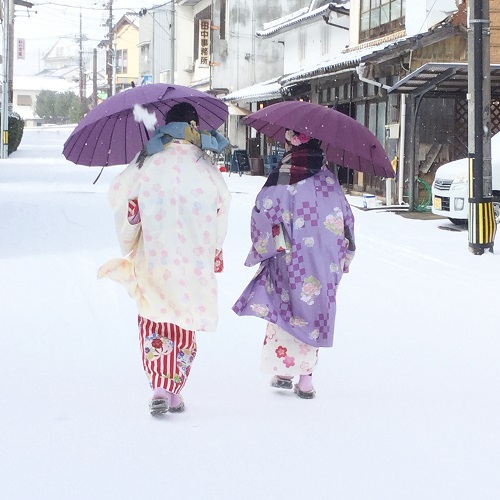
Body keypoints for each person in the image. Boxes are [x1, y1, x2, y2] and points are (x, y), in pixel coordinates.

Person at [99, 102, 231, 416]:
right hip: (193, 260)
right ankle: (174, 390)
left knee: (154, 317)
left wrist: (132, 232)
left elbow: (119, 195)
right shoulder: (206, 168)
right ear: (194, 127)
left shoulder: (148, 161)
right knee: (184, 321)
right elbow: (221, 211)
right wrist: (214, 249)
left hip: (155, 255)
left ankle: (159, 385)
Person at [232, 129, 355, 399]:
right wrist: (344, 255)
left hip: (288, 257)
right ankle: (306, 379)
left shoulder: (282, 177)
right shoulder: (329, 180)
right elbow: (346, 220)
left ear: (290, 143)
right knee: (314, 311)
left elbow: (262, 213)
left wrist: (265, 241)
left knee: (285, 308)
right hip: (324, 260)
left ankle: (285, 371)